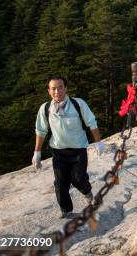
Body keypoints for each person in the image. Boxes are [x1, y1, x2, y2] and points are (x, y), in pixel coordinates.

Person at [32, 76, 105, 218]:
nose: (57, 91)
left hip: (78, 150)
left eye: (60, 87)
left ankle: (88, 194)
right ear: (49, 91)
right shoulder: (46, 108)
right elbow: (41, 130)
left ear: (66, 88)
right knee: (60, 183)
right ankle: (66, 212)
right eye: (53, 88)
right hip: (59, 151)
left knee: (78, 178)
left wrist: (98, 142)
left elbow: (92, 123)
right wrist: (37, 152)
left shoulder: (78, 104)